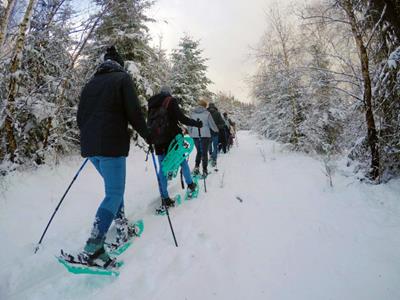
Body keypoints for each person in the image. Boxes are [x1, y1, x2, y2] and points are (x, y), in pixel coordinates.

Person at [77, 46, 150, 268]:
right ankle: (94, 247)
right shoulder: (122, 78)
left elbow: (81, 116)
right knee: (114, 193)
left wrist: (90, 138)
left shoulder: (90, 84)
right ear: (118, 64)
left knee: (113, 191)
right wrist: (149, 136)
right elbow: (134, 112)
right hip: (111, 145)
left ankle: (121, 226)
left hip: (91, 149)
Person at [147, 86, 202, 210]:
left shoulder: (152, 104)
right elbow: (181, 118)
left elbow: (149, 124)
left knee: (163, 168)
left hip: (158, 142)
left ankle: (165, 198)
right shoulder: (170, 101)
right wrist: (196, 124)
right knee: (182, 161)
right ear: (169, 93)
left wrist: (150, 139)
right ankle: (191, 185)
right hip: (172, 140)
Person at [188, 99, 219, 177]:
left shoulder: (192, 113)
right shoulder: (207, 113)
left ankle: (196, 167)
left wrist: (191, 133)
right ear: (205, 106)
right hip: (205, 135)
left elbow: (189, 125)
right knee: (204, 152)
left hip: (195, 135)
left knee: (199, 151)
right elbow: (212, 125)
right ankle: (204, 170)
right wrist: (216, 130)